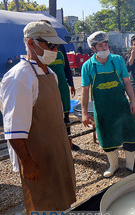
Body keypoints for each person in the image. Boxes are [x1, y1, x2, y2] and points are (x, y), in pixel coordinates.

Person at [0, 21, 76, 215]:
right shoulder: (20, 77)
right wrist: (28, 163)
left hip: (56, 151)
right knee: (44, 211)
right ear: (32, 43)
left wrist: (64, 136)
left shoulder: (50, 73)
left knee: (62, 203)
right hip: (38, 158)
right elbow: (14, 129)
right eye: (50, 45)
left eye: (57, 45)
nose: (55, 50)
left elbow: (55, 113)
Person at [81, 31, 135, 177]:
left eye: (106, 44)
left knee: (129, 135)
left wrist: (133, 101)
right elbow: (85, 91)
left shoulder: (117, 60)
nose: (104, 47)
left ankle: (131, 166)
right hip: (103, 109)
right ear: (93, 48)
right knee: (107, 137)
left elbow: (126, 82)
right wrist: (84, 113)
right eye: (100, 45)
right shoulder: (87, 66)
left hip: (121, 106)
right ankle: (114, 165)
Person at [41, 20, 80, 151]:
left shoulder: (59, 45)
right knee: (51, 116)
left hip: (62, 85)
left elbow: (67, 67)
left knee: (66, 116)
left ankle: (68, 142)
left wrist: (71, 83)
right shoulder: (39, 46)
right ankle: (55, 145)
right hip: (48, 86)